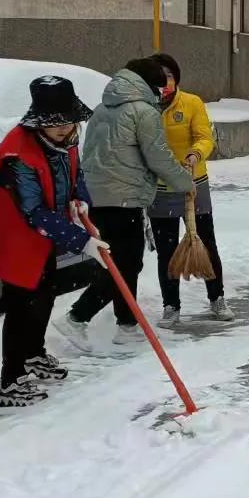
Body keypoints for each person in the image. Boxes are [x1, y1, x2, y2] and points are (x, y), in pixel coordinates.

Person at [55, 57, 194, 351]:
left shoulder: (103, 109)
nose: (163, 94)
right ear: (149, 85)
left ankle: (127, 326)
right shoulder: (143, 112)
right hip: (123, 198)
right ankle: (77, 317)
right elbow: (158, 157)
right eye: (160, 88)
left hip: (99, 197)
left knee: (122, 263)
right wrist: (184, 181)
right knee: (125, 265)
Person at [0, 76, 96, 408]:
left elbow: (76, 174)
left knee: (43, 297)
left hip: (42, 235)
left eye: (68, 121)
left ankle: (33, 355)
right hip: (14, 237)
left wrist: (80, 199)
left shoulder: (66, 140)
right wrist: (80, 240)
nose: (62, 129)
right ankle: (10, 381)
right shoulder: (18, 155)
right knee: (21, 307)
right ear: (38, 121)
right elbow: (33, 211)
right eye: (52, 123)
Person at [148, 52, 231, 325]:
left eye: (169, 76)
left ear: (176, 78)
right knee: (167, 249)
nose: (165, 82)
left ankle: (217, 298)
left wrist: (195, 154)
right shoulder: (145, 107)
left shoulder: (192, 103)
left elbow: (205, 138)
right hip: (161, 187)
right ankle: (171, 305)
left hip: (194, 183)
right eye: (159, 77)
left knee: (206, 242)